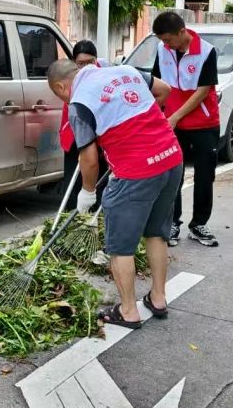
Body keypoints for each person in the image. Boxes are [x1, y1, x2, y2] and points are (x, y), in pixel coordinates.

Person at [47, 58, 181, 328]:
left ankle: (128, 311)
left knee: (120, 247)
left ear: (61, 86)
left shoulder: (79, 101)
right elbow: (164, 89)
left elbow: (89, 158)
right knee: (156, 233)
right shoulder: (125, 71)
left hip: (136, 172)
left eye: (59, 95)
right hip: (171, 158)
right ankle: (158, 298)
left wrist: (87, 193)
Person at [150, 11, 221, 248]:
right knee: (172, 176)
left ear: (182, 32)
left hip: (204, 124)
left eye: (168, 39)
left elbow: (203, 90)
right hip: (171, 123)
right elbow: (157, 84)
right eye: (162, 40)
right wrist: (157, 115)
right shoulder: (163, 50)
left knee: (204, 176)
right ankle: (172, 222)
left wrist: (176, 116)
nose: (165, 44)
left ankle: (199, 224)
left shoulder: (207, 51)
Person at [58, 40, 108, 211]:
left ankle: (96, 225)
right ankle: (71, 222)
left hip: (101, 137)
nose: (86, 67)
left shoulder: (106, 75)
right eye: (81, 63)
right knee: (73, 188)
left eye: (90, 62)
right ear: (74, 63)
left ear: (96, 60)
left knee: (98, 186)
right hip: (75, 135)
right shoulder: (70, 78)